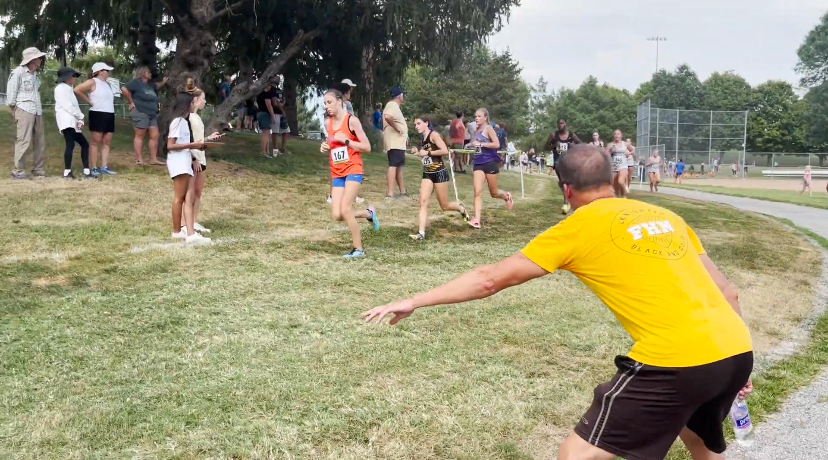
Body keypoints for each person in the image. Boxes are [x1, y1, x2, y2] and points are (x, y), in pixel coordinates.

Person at [363, 144, 753, 460]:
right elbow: (728, 291)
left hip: (676, 361)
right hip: (735, 349)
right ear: (614, 180)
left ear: (565, 188)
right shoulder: (667, 217)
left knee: (577, 455)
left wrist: (414, 300)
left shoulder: (575, 228)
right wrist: (739, 366)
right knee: (697, 439)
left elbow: (488, 280)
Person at [320, 88, 379, 258]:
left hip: (353, 168)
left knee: (346, 209)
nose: (327, 106)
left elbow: (367, 147)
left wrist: (346, 140)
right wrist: (325, 145)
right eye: (324, 103)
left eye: (329, 102)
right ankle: (368, 214)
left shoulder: (351, 121)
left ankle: (358, 249)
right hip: (336, 172)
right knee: (338, 215)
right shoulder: (327, 123)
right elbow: (331, 142)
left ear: (340, 101)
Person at [409, 116, 470, 241]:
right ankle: (421, 234)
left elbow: (444, 151)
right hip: (427, 173)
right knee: (423, 202)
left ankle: (460, 208)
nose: (417, 126)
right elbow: (426, 156)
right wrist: (418, 152)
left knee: (445, 206)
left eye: (419, 123)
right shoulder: (423, 139)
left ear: (426, 123)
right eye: (415, 125)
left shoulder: (434, 135)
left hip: (439, 172)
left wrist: (428, 153)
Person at [166, 90, 211, 245]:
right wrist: (194, 145)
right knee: (181, 198)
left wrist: (196, 151)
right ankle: (181, 232)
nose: (194, 104)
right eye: (192, 102)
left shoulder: (184, 122)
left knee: (189, 196)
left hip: (186, 162)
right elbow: (170, 145)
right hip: (178, 163)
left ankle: (186, 231)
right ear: (186, 104)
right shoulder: (177, 121)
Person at [183, 78, 223, 237]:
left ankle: (193, 221)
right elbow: (188, 141)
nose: (205, 101)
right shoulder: (187, 118)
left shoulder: (197, 118)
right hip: (194, 159)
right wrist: (193, 158)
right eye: (203, 99)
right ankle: (185, 224)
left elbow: (198, 138)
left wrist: (209, 138)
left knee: (198, 193)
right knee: (190, 193)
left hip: (202, 157)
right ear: (196, 100)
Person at [468, 108, 513, 229]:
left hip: (490, 162)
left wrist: (481, 144)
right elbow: (476, 143)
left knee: (494, 193)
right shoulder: (475, 129)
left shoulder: (489, 129)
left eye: (478, 116)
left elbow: (497, 144)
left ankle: (506, 196)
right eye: (475, 116)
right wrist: (471, 145)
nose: (476, 118)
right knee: (477, 192)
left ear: (485, 118)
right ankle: (477, 220)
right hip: (478, 163)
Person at [8, 47, 46, 179]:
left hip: (37, 110)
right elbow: (11, 95)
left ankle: (38, 169)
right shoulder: (18, 72)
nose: (41, 60)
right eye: (38, 58)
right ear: (32, 59)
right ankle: (18, 170)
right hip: (24, 109)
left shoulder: (35, 74)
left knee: (40, 141)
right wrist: (15, 111)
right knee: (23, 140)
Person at [74, 62, 117, 176]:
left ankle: (104, 167)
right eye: (107, 71)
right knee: (95, 142)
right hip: (97, 113)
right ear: (100, 71)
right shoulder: (92, 81)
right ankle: (93, 167)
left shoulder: (108, 84)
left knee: (107, 142)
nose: (108, 73)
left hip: (109, 114)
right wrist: (89, 101)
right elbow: (77, 89)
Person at [122, 66, 169, 166]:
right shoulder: (136, 82)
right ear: (143, 73)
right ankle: (139, 160)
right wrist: (131, 102)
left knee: (155, 135)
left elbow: (157, 85)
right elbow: (124, 89)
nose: (150, 74)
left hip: (152, 113)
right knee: (140, 135)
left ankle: (153, 159)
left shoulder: (150, 85)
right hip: (141, 112)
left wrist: (164, 82)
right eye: (148, 72)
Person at [54, 67, 93, 180]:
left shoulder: (68, 88)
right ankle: (67, 172)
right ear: (66, 77)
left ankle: (86, 171)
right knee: (70, 145)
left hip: (72, 121)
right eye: (73, 76)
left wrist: (79, 119)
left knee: (84, 144)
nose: (74, 78)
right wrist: (80, 116)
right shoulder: (60, 89)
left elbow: (74, 106)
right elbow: (68, 106)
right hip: (66, 121)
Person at [545, 119, 582, 213]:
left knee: (566, 181)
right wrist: (554, 145)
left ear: (566, 124)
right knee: (563, 181)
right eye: (558, 124)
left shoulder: (571, 135)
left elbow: (580, 145)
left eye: (562, 123)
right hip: (558, 161)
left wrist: (572, 145)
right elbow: (546, 147)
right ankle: (568, 199)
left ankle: (567, 201)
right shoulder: (553, 135)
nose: (560, 125)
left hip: (569, 160)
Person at [383, 87, 408, 198]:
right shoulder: (392, 105)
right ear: (400, 96)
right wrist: (397, 128)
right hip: (395, 141)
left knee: (398, 167)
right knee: (393, 165)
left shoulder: (394, 106)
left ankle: (402, 192)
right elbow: (387, 117)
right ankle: (390, 193)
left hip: (398, 142)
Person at [607, 130, 633, 198]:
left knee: (620, 181)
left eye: (618, 134)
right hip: (614, 165)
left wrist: (629, 153)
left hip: (623, 164)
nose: (616, 136)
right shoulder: (610, 145)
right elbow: (605, 154)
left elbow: (633, 150)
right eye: (615, 134)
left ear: (621, 135)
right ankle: (617, 197)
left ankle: (626, 191)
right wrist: (610, 152)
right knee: (614, 184)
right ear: (613, 136)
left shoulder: (625, 144)